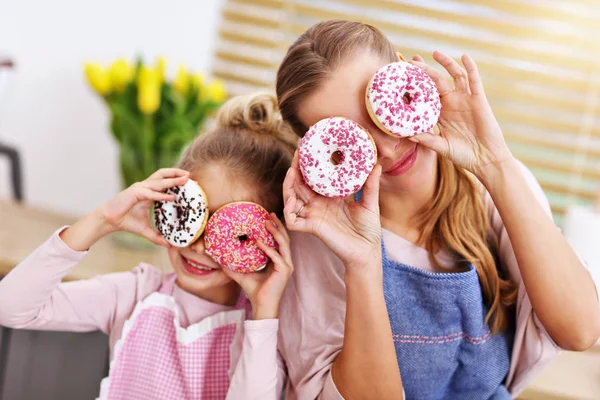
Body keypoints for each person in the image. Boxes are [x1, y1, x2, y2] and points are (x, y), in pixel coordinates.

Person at [275, 20, 600, 399]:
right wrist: (361, 265)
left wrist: (496, 166)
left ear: (404, 74)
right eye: (351, 137)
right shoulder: (322, 239)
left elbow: (580, 330)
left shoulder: (494, 187)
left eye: (378, 107)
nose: (386, 146)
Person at [0, 93, 295, 399]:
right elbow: (11, 308)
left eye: (232, 232)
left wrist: (264, 311)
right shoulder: (136, 294)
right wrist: (102, 220)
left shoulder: (263, 331)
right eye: (190, 215)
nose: (199, 246)